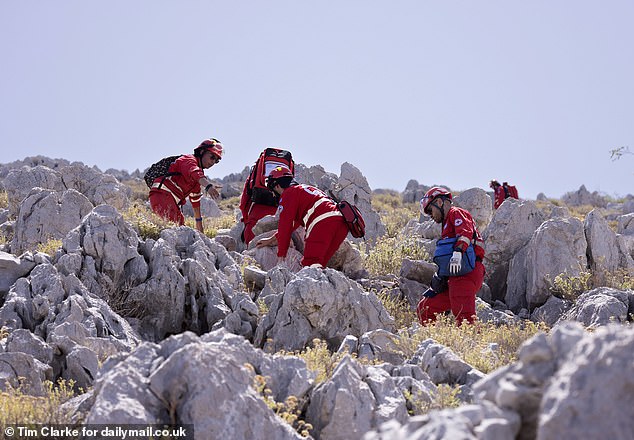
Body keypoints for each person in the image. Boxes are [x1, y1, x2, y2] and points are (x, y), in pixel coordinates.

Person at [416, 187, 485, 325]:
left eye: (430, 210)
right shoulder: (446, 223)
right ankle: (433, 343)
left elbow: (465, 233)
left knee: (464, 318)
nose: (430, 215)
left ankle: (471, 344)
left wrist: (458, 253)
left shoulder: (456, 213)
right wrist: (441, 275)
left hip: (467, 273)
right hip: (454, 274)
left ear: (440, 203)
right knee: (425, 308)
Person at [255, 166, 349, 268]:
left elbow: (285, 226)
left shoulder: (288, 194)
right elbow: (292, 226)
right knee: (318, 267)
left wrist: (281, 257)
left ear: (276, 186)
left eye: (272, 190)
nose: (274, 195)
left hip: (322, 222)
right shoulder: (305, 189)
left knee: (309, 266)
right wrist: (270, 240)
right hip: (341, 224)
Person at [149, 138, 223, 234]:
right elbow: (194, 172)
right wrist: (208, 186)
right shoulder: (189, 160)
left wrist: (199, 226)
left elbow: (195, 200)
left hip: (170, 201)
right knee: (177, 230)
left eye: (216, 161)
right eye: (212, 157)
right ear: (201, 152)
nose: (213, 162)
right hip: (162, 196)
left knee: (180, 225)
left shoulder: (197, 178)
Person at [239, 148, 294, 245]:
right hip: (278, 214)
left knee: (252, 250)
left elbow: (244, 201)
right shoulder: (287, 178)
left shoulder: (257, 174)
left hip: (257, 212)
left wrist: (246, 220)